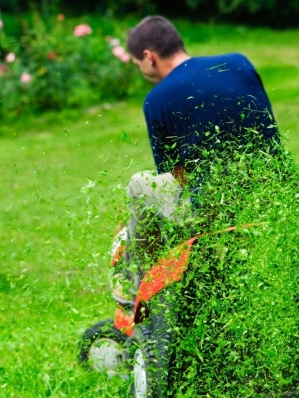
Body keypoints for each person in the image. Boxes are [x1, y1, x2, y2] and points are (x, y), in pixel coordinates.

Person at [112, 16, 286, 299]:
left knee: (140, 183)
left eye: (138, 64)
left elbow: (178, 177)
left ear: (148, 56)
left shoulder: (157, 99)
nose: (141, 70)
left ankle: (136, 292)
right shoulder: (239, 63)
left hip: (217, 210)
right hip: (276, 193)